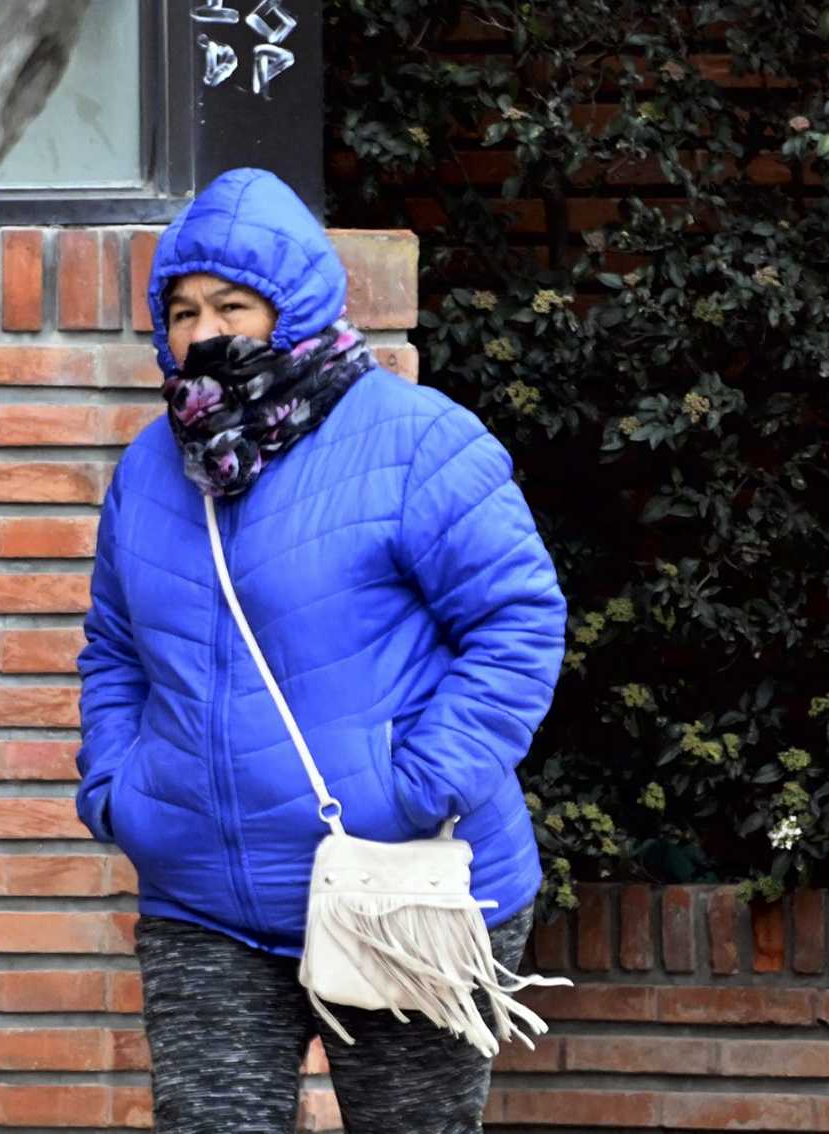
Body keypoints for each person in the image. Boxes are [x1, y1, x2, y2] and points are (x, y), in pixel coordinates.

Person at [75, 168, 567, 1133]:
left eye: (231, 305)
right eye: (180, 311)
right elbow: (114, 647)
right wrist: (124, 790)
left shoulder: (417, 440)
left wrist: (413, 789)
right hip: (204, 898)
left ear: (289, 306)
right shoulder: (150, 466)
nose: (202, 332)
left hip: (399, 884)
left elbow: (518, 623)